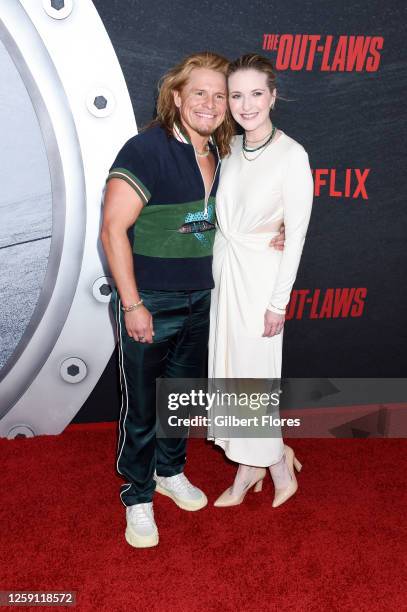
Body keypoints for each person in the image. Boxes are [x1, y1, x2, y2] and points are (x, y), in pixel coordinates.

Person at [101, 52, 285, 548]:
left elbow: (233, 218)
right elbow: (112, 229)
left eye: (220, 94)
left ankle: (169, 471)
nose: (211, 102)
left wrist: (276, 231)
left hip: (205, 298)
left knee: (179, 401)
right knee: (142, 404)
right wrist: (133, 303)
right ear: (177, 97)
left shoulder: (222, 156)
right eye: (199, 92)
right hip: (152, 300)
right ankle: (138, 496)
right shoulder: (145, 149)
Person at [208, 54, 313, 508]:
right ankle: (257, 464)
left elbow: (297, 236)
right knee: (232, 378)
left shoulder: (292, 156)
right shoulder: (228, 147)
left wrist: (278, 302)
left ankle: (271, 465)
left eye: (256, 93)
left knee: (254, 380)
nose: (246, 104)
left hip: (260, 285)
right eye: (236, 95)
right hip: (226, 277)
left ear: (273, 95)